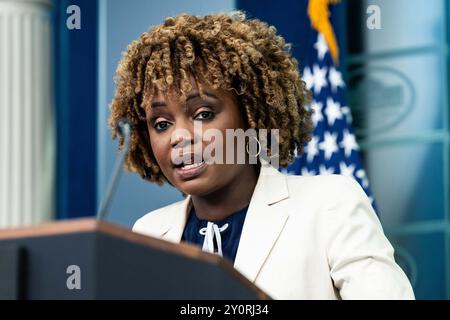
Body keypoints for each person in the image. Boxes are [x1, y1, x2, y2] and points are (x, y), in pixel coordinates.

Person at [108, 11, 414, 300]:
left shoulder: (329, 205)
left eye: (203, 114)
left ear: (252, 116)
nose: (179, 136)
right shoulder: (148, 234)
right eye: (161, 124)